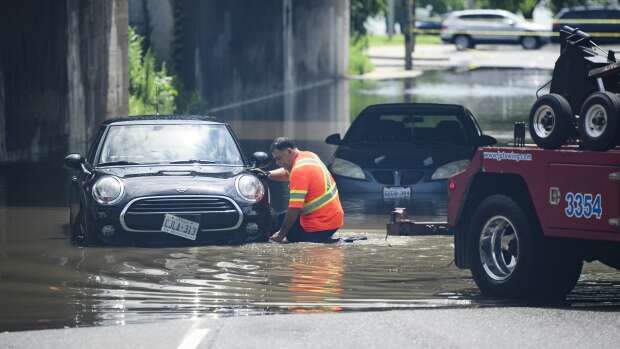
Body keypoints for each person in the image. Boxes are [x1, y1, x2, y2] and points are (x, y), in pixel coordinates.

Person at [263, 137, 344, 243]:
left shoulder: (299, 171)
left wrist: (280, 235)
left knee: (285, 232)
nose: (278, 163)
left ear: (289, 151)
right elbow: (287, 173)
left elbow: (294, 208)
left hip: (320, 226)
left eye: (279, 158)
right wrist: (266, 174)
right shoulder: (309, 156)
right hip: (333, 220)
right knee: (281, 218)